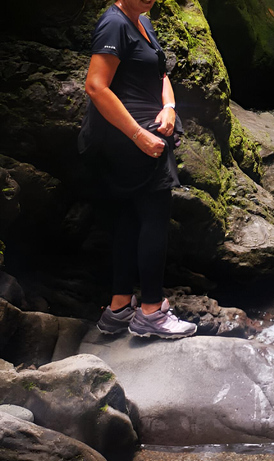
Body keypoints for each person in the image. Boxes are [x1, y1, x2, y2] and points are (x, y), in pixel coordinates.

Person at [84, 0, 196, 339]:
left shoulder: (141, 21)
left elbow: (161, 73)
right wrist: (138, 135)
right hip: (131, 141)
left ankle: (119, 307)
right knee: (154, 218)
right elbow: (95, 86)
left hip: (145, 135)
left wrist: (170, 107)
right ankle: (150, 311)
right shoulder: (115, 24)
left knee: (129, 219)